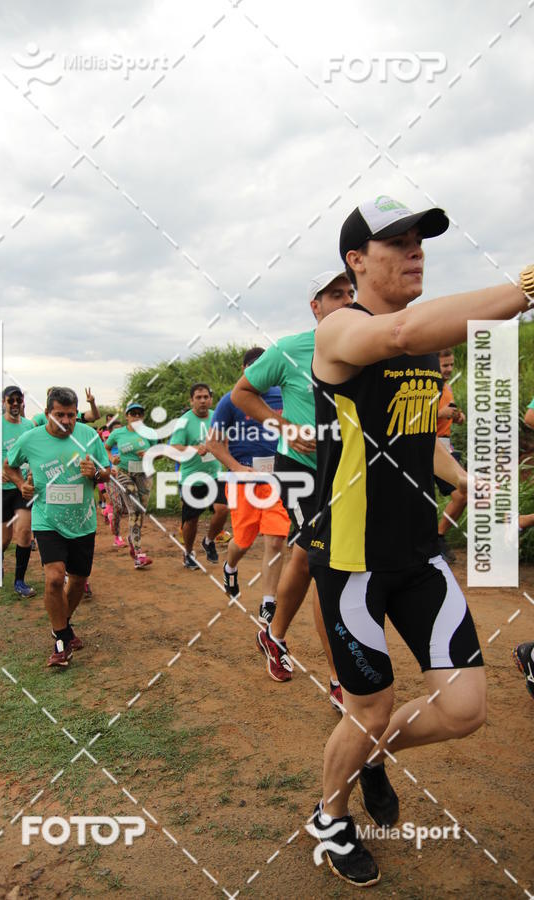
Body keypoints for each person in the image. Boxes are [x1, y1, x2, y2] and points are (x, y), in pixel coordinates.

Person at [305, 194, 531, 886]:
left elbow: (415, 433)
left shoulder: (426, 343)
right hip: (352, 561)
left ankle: (373, 756)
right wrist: (523, 290)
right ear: (355, 260)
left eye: (421, 241)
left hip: (419, 554)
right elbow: (399, 334)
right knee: (369, 707)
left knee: (464, 709)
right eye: (398, 242)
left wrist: (465, 479)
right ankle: (330, 815)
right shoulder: (341, 329)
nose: (416, 251)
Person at [231, 272, 354, 708]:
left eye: (351, 293)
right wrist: (283, 426)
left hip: (348, 472)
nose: (346, 300)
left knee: (303, 556)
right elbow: (243, 393)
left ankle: (274, 635)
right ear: (315, 307)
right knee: (325, 565)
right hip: (301, 469)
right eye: (335, 295)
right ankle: (341, 681)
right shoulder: (290, 349)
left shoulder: (367, 346)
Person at [4, 386, 110, 667]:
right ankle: (61, 641)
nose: (66, 421)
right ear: (47, 413)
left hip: (83, 521)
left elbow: (107, 472)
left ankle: (64, 623)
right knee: (53, 578)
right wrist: (21, 484)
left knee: (78, 581)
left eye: (71, 415)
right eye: (59, 415)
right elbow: (9, 465)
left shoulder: (89, 436)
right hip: (47, 519)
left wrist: (96, 474)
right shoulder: (30, 439)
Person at [206, 347, 290, 623]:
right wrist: (237, 467)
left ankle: (268, 602)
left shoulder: (282, 395)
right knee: (243, 541)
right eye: (253, 368)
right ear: (244, 370)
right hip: (243, 480)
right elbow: (213, 443)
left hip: (275, 479)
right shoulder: (231, 400)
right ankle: (230, 567)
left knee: (276, 539)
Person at [169, 383, 228, 569]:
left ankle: (209, 541)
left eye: (206, 397)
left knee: (223, 509)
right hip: (191, 478)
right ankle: (188, 553)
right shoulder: (184, 421)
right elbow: (174, 448)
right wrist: (195, 449)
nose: (203, 401)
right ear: (191, 400)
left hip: (215, 475)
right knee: (191, 520)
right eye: (198, 397)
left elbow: (225, 439)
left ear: (211, 399)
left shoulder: (217, 417)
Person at [0, 386, 37, 596]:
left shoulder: (29, 426)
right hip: (1, 489)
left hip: (22, 487)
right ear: (3, 402)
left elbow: (34, 452)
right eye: (10, 400)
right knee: (4, 539)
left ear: (22, 402)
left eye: (18, 400)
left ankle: (19, 582)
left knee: (24, 531)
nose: (15, 403)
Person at [104, 402, 153, 567]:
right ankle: (138, 554)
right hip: (124, 474)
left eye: (139, 414)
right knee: (134, 509)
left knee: (141, 511)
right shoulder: (118, 433)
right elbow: (106, 448)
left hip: (144, 475)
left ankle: (132, 539)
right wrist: (112, 459)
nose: (136, 416)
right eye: (133, 413)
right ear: (127, 416)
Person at [435, 348, 466, 564]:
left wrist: (457, 416)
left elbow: (449, 414)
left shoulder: (447, 387)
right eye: (444, 365)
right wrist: (440, 413)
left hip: (446, 447)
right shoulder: (426, 387)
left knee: (462, 493)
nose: (449, 369)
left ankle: (438, 536)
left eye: (451, 365)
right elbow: (413, 416)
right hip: (426, 446)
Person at [31, 386, 100, 426]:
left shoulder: (74, 415)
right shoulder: (40, 417)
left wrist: (92, 403)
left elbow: (94, 416)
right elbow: (30, 427)